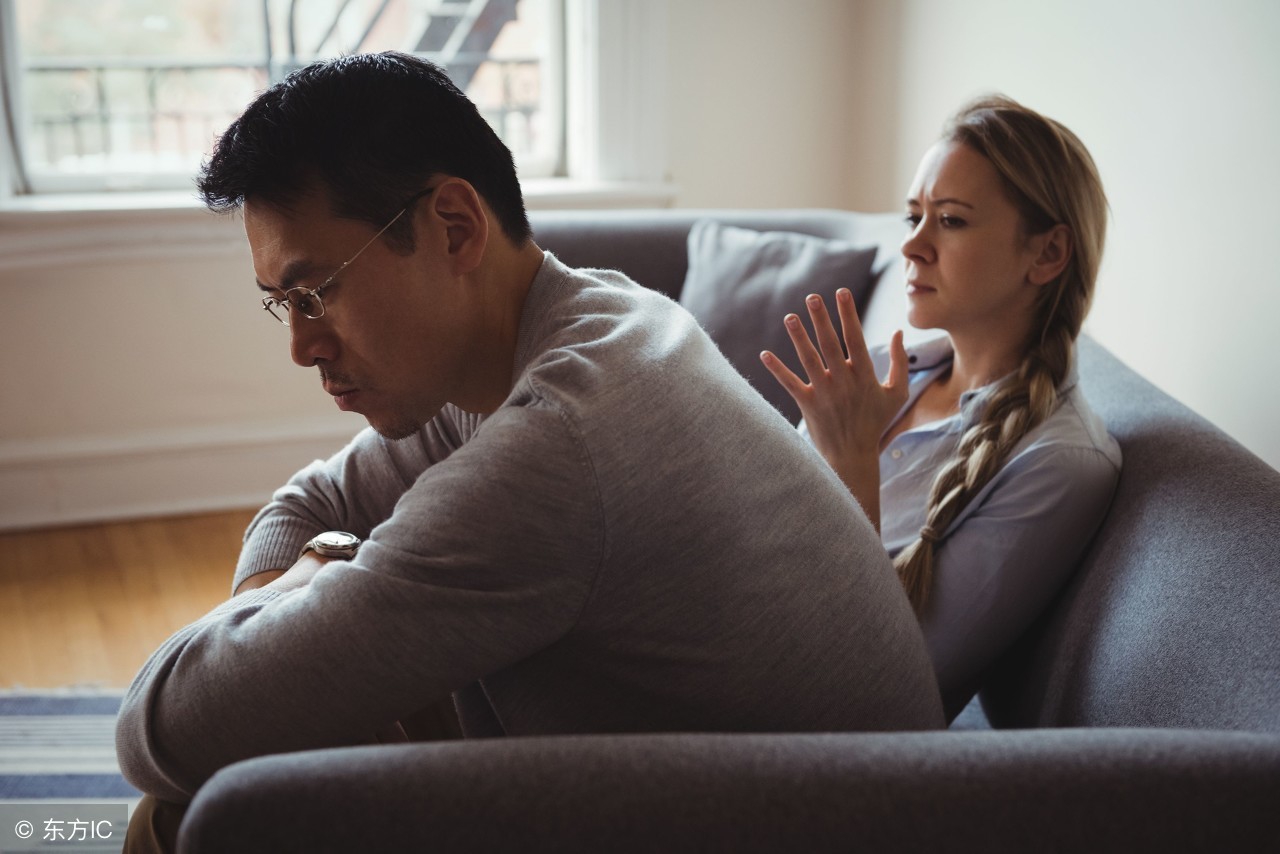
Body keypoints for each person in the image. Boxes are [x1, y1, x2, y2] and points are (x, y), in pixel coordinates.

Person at [116, 52, 943, 850]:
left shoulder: (561, 444)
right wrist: (302, 581)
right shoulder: (594, 320)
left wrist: (313, 580)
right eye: (282, 304)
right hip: (778, 792)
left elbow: (157, 727)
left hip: (819, 821)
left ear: (455, 226)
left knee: (186, 812)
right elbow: (312, 505)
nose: (301, 346)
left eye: (317, 290)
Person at [761, 95, 1122, 722]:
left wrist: (851, 465)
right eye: (913, 218)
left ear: (1047, 254)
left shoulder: (1059, 464)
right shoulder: (876, 372)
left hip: (780, 723)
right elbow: (757, 534)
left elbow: (883, 697)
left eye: (950, 221)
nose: (913, 248)